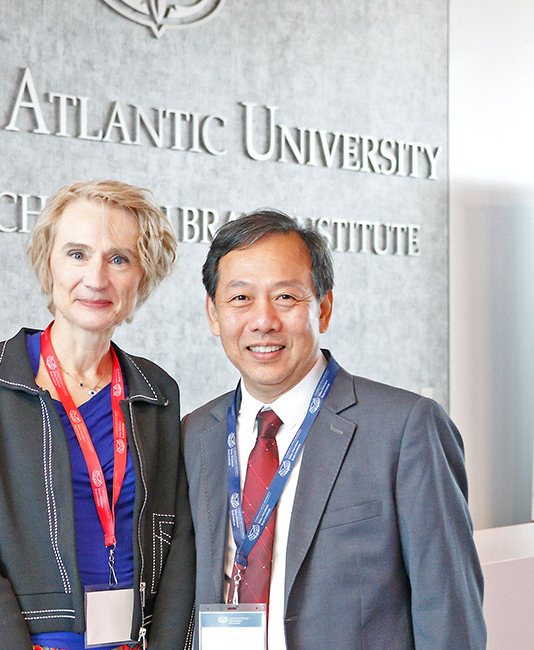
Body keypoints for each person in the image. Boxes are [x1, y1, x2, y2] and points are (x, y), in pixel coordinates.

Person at [183, 209, 485, 649]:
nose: (263, 320)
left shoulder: (405, 429)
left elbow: (449, 616)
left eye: (286, 297)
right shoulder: (197, 434)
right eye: (240, 299)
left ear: (323, 309)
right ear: (213, 314)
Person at [0, 181, 195, 650]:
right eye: (77, 254)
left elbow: (178, 546)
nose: (96, 278)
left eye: (119, 259)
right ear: (48, 262)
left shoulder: (157, 392)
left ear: (143, 275)